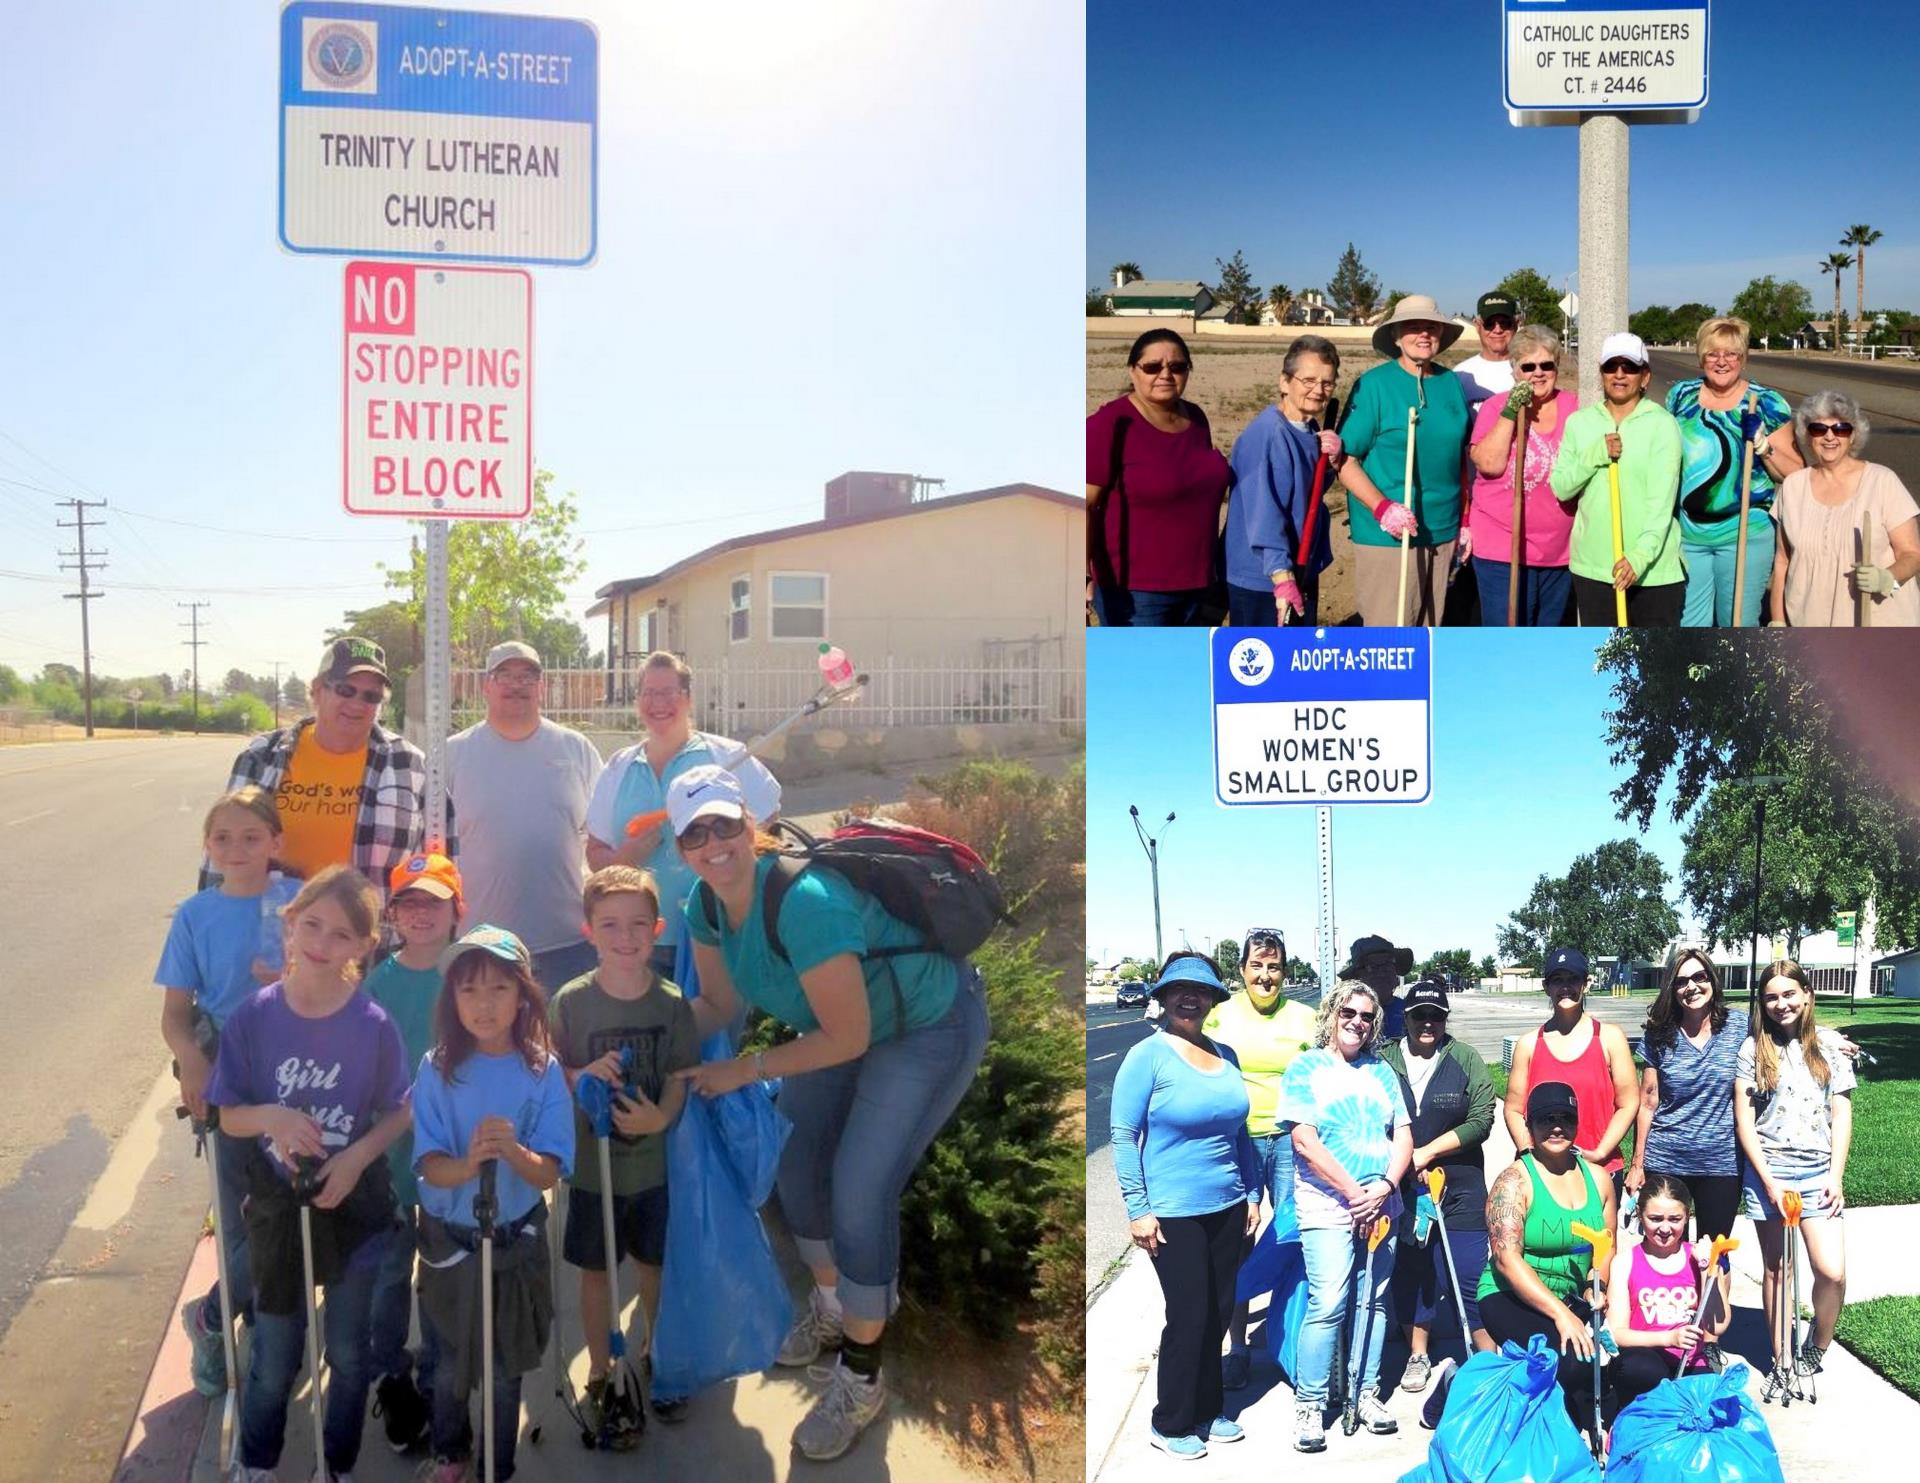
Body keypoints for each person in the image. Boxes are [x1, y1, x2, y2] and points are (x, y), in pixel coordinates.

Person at [668, 765, 990, 1462]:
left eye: (724, 823)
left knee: (859, 1188)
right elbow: (719, 1005)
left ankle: (863, 1376)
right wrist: (644, 1040)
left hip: (927, 1024)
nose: (713, 842)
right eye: (695, 831)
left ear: (749, 823)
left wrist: (744, 1069)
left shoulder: (803, 899)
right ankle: (835, 1307)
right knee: (795, 1158)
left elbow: (846, 1037)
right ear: (680, 847)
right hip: (846, 1022)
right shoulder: (705, 904)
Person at [206, 866, 411, 1483]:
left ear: (363, 946)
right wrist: (270, 1114)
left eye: (342, 934)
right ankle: (259, 1459)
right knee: (275, 1356)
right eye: (311, 924)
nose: (322, 942)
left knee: (348, 1355)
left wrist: (355, 1157)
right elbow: (226, 1114)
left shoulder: (371, 1023)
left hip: (351, 1203)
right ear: (289, 923)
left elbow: (401, 1109)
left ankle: (337, 1464)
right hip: (277, 1206)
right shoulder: (253, 1018)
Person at [411, 924, 574, 1483]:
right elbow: (430, 1167)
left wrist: (514, 1152)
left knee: (505, 1370)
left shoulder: (542, 1069)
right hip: (449, 1241)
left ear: (523, 995)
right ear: (452, 998)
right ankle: (451, 1453)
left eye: (499, 988)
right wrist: (470, 1162)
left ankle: (497, 1467)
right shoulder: (436, 1068)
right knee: (451, 1362)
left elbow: (549, 1171)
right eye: (469, 990)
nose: (484, 1004)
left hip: (514, 1240)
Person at [156, 785, 298, 1396]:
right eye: (222, 838)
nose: (236, 849)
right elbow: (175, 1013)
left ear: (275, 842)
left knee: (288, 1209)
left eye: (250, 837)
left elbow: (344, 974)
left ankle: (220, 1310)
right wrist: (191, 1062)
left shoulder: (298, 902)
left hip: (297, 1070)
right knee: (240, 1214)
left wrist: (294, 978)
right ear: (207, 847)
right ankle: (222, 1326)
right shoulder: (195, 915)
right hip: (226, 1074)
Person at [549, 864, 699, 1435]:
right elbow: (549, 1069)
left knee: (654, 1266)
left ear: (657, 927)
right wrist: (580, 1073)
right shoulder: (570, 1002)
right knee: (595, 1273)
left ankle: (655, 1354)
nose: (626, 936)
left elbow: (682, 1075)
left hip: (653, 1170)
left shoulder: (670, 1003)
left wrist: (661, 1115)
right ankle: (600, 1370)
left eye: (638, 923)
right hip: (592, 1170)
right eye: (610, 924)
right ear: (588, 930)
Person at [1112, 953, 1261, 1459]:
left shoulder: (1226, 1056)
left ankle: (1206, 1408)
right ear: (1164, 997)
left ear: (1213, 1000)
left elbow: (1240, 1134)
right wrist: (1138, 1208)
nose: (1188, 998)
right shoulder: (1147, 1056)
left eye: (1199, 992)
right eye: (1178, 990)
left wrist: (1253, 1195)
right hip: (1172, 1210)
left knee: (1218, 1312)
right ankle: (1170, 1419)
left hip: (1227, 1204)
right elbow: (1123, 1134)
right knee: (1190, 1313)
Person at [584, 651, 781, 978]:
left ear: (687, 699)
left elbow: (769, 821)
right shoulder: (618, 768)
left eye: (668, 692)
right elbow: (594, 852)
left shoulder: (726, 757)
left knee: (710, 1022)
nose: (658, 702)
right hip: (637, 945)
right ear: (637, 702)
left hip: (717, 936)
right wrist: (625, 857)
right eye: (648, 692)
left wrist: (723, 855)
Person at [1278, 980, 1412, 1454]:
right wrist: (1356, 1193)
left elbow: (1403, 1136)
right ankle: (1310, 1403)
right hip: (1328, 1204)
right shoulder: (1305, 1067)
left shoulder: (1382, 1071)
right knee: (1329, 1300)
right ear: (1332, 1014)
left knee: (1373, 1300)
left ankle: (1366, 1390)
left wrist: (1385, 1187)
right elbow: (1304, 1141)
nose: (1357, 1022)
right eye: (1348, 1013)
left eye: (1367, 1016)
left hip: (1381, 1202)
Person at [364, 851, 466, 1453]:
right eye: (409, 902)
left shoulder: (470, 976)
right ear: (393, 913)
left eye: (435, 900)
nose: (422, 913)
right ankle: (392, 1377)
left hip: (453, 1156)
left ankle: (436, 1379)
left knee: (442, 1276)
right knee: (387, 1279)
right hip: (395, 1156)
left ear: (459, 909)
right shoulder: (378, 983)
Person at [216, 636, 439, 890]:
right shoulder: (261, 757)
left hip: (371, 928)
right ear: (317, 690)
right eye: (346, 690)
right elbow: (221, 852)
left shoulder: (411, 766)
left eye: (371, 696)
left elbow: (439, 866)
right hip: (266, 926)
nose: (357, 703)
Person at [446, 640, 605, 991]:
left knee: (563, 1046)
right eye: (505, 675)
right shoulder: (453, 755)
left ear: (542, 688)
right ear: (486, 686)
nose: (517, 685)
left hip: (567, 945)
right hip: (480, 945)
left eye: (528, 676)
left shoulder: (576, 749)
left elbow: (603, 835)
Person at [1203, 928, 1319, 1390]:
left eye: (1274, 967)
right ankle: (1239, 1349)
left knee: (1295, 1237)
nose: (1265, 976)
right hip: (1238, 1143)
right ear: (1242, 970)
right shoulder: (1219, 1015)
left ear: (1285, 972)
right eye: (1257, 966)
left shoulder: (1306, 1018)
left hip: (1293, 1141)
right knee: (1240, 1242)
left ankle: (1293, 1338)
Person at [1478, 1081, 1619, 1445]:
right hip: (1511, 1296)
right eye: (1545, 1119)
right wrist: (1561, 1314)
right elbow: (1507, 1260)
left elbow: (1606, 1247)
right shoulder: (1513, 1182)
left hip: (1573, 1299)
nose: (1556, 1127)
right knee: (1567, 1361)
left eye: (1565, 1118)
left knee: (1610, 1364)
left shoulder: (1600, 1180)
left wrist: (1595, 1286)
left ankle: (1591, 1433)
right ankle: (1464, 1386)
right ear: (1530, 1125)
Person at [1734, 959, 1854, 1378]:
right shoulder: (1753, 1050)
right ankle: (1782, 1357)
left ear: (1807, 995)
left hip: (1818, 1175)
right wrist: (1766, 1180)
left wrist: (1835, 1175)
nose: (1780, 1004)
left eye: (1789, 994)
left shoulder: (1829, 1048)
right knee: (1777, 1269)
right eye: (1771, 997)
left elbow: (1841, 1115)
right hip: (1771, 1174)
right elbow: (1744, 1121)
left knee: (1831, 1271)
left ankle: (1817, 1344)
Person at [1378, 980, 1496, 1392]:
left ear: (1445, 1018)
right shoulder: (1385, 1059)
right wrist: (1402, 1160)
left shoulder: (1464, 1057)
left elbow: (1482, 1118)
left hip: (1461, 1184)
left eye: (1436, 1015)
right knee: (1414, 1270)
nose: (1427, 1023)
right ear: (1405, 1017)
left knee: (1467, 1271)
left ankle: (1486, 1357)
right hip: (1404, 1186)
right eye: (1419, 1015)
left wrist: (1426, 1152)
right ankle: (1417, 1353)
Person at [1335, 295, 1472, 626]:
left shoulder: (1451, 382)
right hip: (1389, 536)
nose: (1423, 334)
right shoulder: (1373, 386)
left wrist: (1465, 520)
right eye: (1413, 327)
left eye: (1431, 327)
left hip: (1442, 530)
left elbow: (1460, 456)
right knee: (1390, 639)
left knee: (1429, 633)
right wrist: (1384, 508)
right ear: (1396, 335)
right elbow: (1345, 460)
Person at [1086, 328, 1233, 626]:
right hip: (1136, 593)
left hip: (1200, 582)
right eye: (1152, 367)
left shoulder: (1196, 418)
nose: (1165, 374)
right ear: (1132, 370)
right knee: (1143, 672)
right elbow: (1081, 506)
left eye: (1177, 367)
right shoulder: (1109, 424)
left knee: (1188, 670)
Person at [1665, 318, 1804, 627]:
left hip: (1745, 533)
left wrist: (1764, 444)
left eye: (1732, 354)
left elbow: (1796, 472)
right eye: (1713, 353)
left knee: (1736, 625)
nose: (1722, 361)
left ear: (1743, 357)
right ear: (1701, 356)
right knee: (1689, 626)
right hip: (1688, 535)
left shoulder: (1766, 402)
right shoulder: (1681, 396)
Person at [1549, 332, 1685, 627]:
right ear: (1601, 374)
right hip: (1594, 569)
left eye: (1630, 367)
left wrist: (1638, 558)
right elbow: (1561, 487)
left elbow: (1661, 503)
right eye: (1611, 367)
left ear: (1644, 377)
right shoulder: (1580, 423)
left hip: (1651, 572)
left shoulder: (1663, 425)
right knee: (1605, 664)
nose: (1620, 375)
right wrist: (1596, 453)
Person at [1630, 946, 1746, 1260]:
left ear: (1713, 981)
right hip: (1666, 1159)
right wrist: (1637, 1165)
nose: (1691, 987)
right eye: (1681, 981)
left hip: (1721, 1164)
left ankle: (1714, 1312)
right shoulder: (1659, 1033)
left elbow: (1784, 1028)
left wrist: (1824, 1037)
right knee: (1663, 1252)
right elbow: (1648, 1101)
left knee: (1714, 1256)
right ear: (1672, 988)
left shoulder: (1739, 1026)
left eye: (1699, 977)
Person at [1222, 336, 1345, 625]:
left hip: (1299, 566)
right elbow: (1264, 512)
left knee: (1295, 662)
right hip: (1265, 578)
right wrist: (1282, 577)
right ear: (1284, 382)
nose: (1319, 391)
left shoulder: (1309, 428)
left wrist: (1330, 465)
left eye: (1327, 383)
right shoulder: (1269, 434)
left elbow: (1305, 493)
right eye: (1309, 380)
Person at [1503, 947, 1638, 1209]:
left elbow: (1629, 1103)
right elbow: (1513, 1108)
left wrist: (1599, 1153)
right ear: (1546, 987)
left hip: (1599, 1171)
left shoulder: (1610, 1038)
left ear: (1586, 984)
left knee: (1598, 1248)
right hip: (1542, 1175)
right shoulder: (1529, 1044)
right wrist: (1529, 1154)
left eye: (1573, 979)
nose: (1566, 987)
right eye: (1557, 980)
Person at [1771, 391, 1920, 626]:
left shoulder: (1882, 481)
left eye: (1841, 429)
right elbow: (1782, 561)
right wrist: (1777, 621)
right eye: (1819, 429)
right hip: (1809, 626)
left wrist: (1887, 579)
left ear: (1853, 436)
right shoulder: (1793, 486)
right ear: (1807, 435)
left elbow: (1912, 555)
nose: (1830, 437)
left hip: (1879, 626)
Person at [1466, 325, 1579, 626]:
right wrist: (1511, 411)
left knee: (1545, 640)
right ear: (1515, 370)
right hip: (1503, 547)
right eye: (1528, 366)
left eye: (1547, 365)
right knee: (1509, 637)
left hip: (1560, 550)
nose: (1538, 373)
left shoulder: (1575, 408)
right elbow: (1488, 464)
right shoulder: (1495, 406)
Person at [1605, 1174, 1730, 1413]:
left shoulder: (1699, 1258)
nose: (1665, 1228)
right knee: (1640, 1370)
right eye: (1655, 1219)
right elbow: (1617, 1333)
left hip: (1690, 1360)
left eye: (1675, 1219)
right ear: (1640, 1215)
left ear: (1687, 1217)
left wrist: (1707, 1268)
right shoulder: (1625, 1262)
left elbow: (1718, 1326)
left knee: (1711, 1405)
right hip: (1645, 1358)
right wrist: (1669, 1338)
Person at [1452, 291, 1520, 415]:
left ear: (1516, 324)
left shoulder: (1530, 369)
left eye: (1505, 323)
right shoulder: (1460, 374)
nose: (1497, 330)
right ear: (1478, 326)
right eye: (1489, 324)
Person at [1339, 934, 1414, 1038]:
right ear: (1358, 976)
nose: (1381, 973)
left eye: (1387, 964)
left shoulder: (1412, 1013)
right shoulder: (1344, 1015)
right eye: (1372, 967)